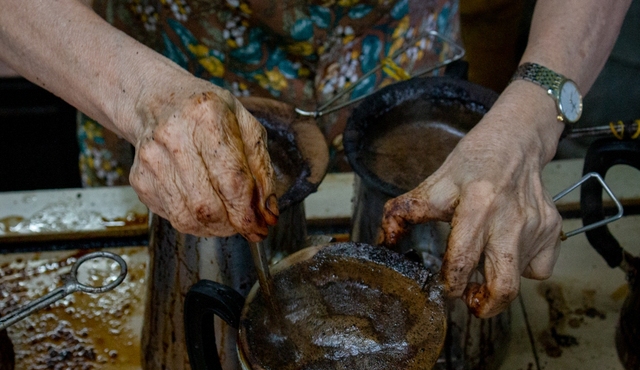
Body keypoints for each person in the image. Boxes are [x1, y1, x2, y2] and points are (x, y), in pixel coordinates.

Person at [0, 0, 632, 319]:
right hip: (158, 73)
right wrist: (140, 99)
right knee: (195, 291)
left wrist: (531, 118)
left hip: (398, 74)